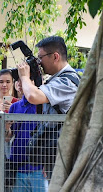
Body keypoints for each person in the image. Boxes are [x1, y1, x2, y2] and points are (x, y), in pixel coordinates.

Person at [16, 36, 80, 178]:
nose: (38, 63)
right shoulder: (56, 80)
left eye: (40, 58)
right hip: (57, 152)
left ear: (55, 56)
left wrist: (24, 76)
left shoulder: (67, 81)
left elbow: (33, 97)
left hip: (67, 153)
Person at [5, 80, 48, 192]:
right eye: (19, 81)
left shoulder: (43, 105)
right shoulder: (15, 107)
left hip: (39, 167)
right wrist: (6, 126)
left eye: (26, 80)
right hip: (19, 166)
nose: (21, 84)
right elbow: (8, 137)